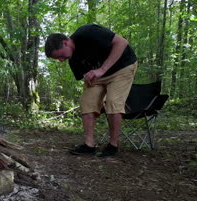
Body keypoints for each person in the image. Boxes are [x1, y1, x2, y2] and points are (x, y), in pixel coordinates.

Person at [44, 24, 137, 157]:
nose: (61, 60)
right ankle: (89, 145)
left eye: (61, 56)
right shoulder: (73, 60)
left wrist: (102, 70)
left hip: (123, 66)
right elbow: (86, 75)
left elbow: (122, 42)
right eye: (58, 59)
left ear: (65, 43)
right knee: (87, 102)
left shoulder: (87, 33)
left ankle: (113, 146)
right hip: (100, 75)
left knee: (113, 102)